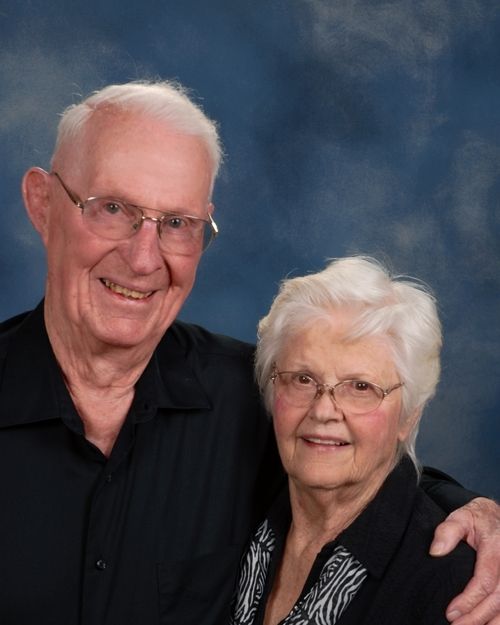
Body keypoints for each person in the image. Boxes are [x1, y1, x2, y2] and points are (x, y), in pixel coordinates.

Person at [0, 81, 498, 625]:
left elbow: (364, 468)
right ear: (42, 204)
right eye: (113, 209)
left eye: (177, 224)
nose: (143, 259)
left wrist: (473, 511)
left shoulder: (253, 397)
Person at [229, 256, 479, 624]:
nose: (323, 411)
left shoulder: (456, 586)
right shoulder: (239, 514)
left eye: (361, 387)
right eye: (302, 379)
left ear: (409, 415)